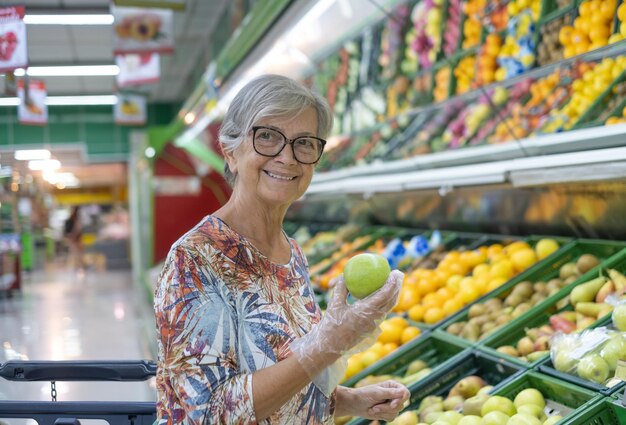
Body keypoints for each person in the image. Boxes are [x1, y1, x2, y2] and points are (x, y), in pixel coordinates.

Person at [154, 75, 409, 424]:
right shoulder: (196, 259)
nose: (287, 157)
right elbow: (206, 414)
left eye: (304, 143)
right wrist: (328, 343)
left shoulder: (291, 254)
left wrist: (347, 402)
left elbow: (283, 380)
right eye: (268, 137)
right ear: (231, 152)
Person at [64, 206, 84, 272]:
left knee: (76, 254)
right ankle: (78, 266)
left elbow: (77, 230)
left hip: (76, 239)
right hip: (75, 239)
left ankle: (79, 266)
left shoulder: (76, 220)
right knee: (76, 254)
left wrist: (72, 236)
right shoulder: (73, 220)